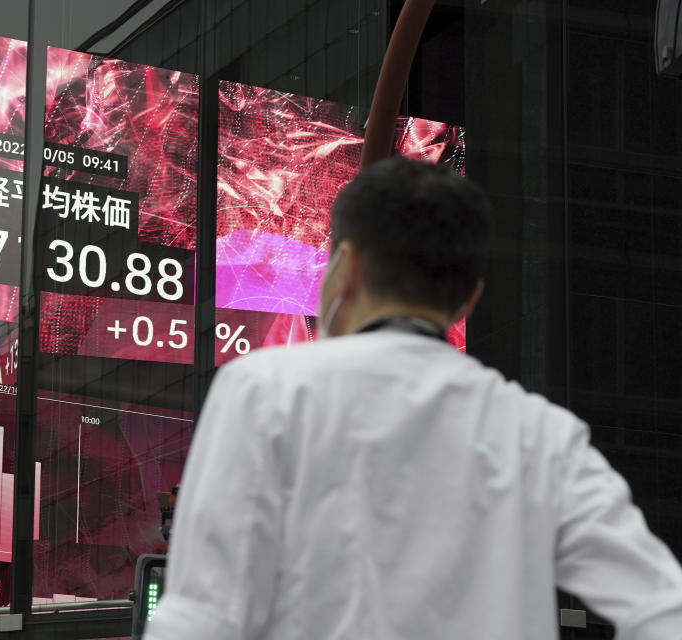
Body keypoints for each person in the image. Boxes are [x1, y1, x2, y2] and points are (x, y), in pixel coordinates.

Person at [145, 157, 682, 640]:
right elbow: (664, 607)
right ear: (469, 298)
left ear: (344, 268)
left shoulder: (264, 393)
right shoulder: (541, 434)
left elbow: (200, 619)